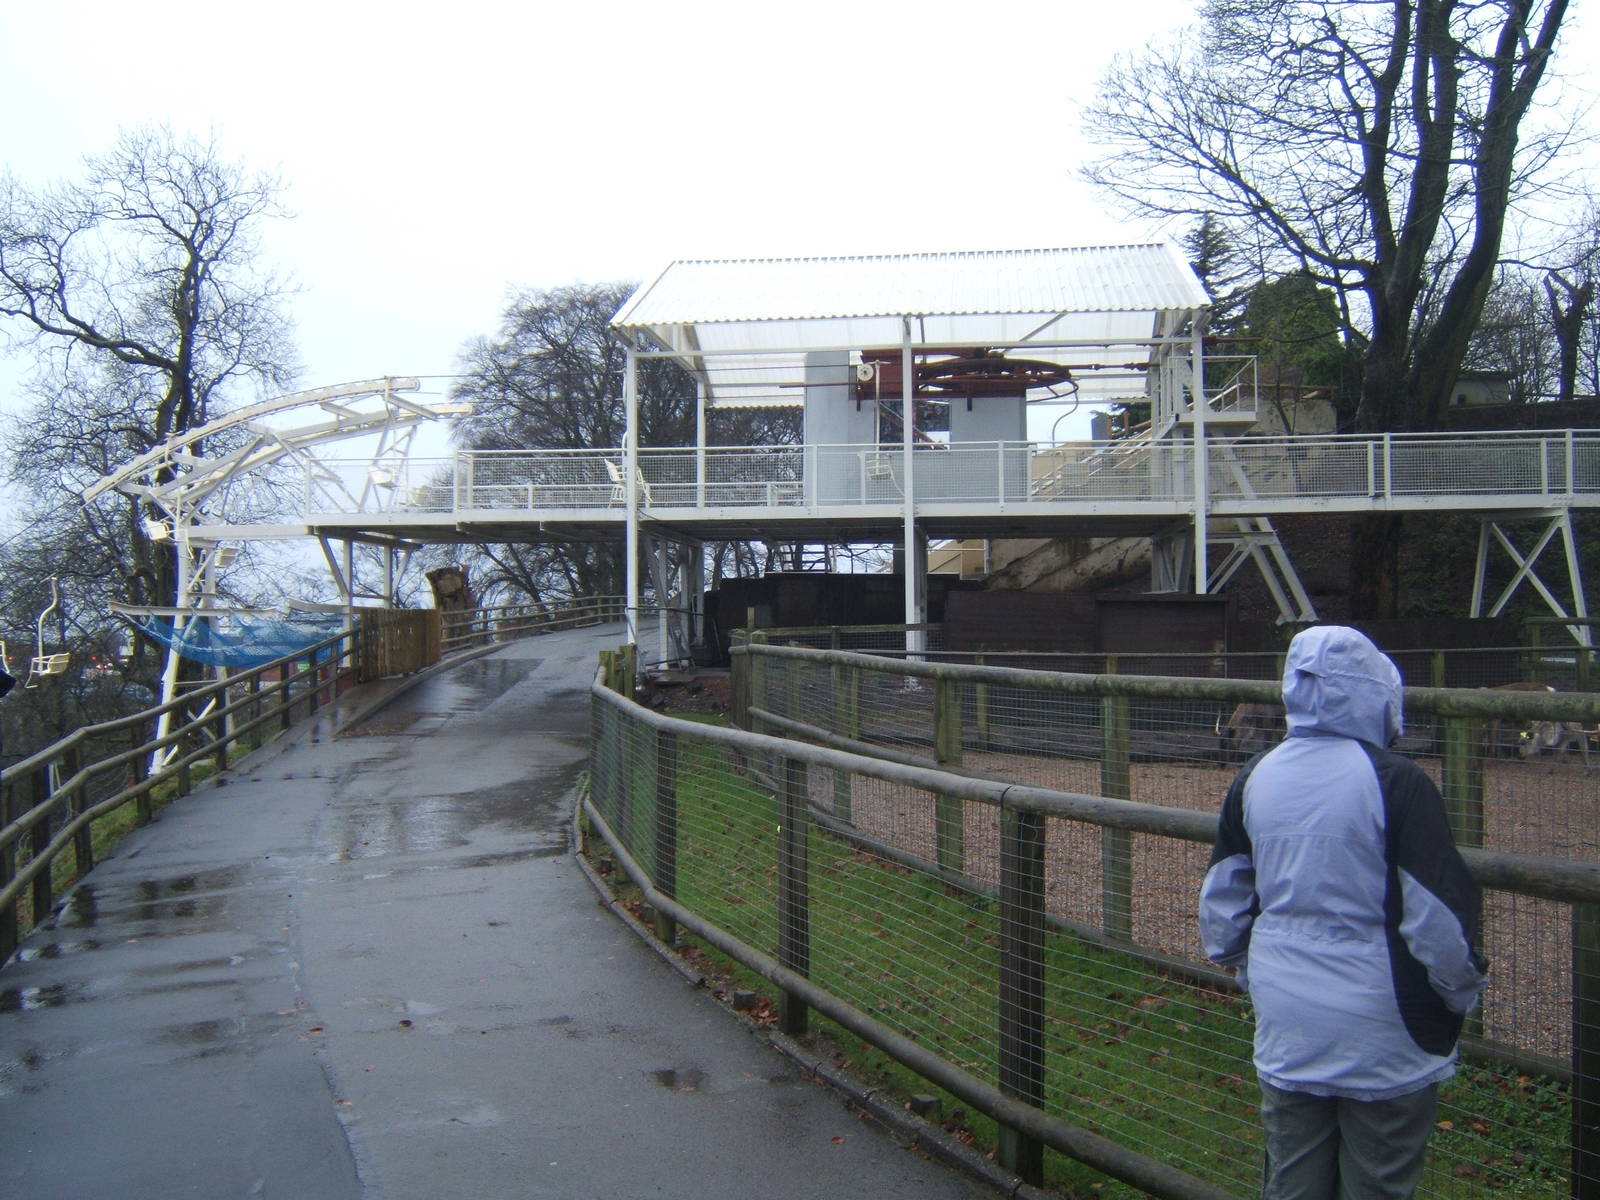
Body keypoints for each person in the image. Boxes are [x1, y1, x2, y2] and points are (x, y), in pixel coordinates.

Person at [1199, 625, 1488, 1199]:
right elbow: (1439, 919)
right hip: (1384, 1026)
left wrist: (1249, 967)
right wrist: (1459, 993)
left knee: (1292, 1175)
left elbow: (1223, 904)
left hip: (1289, 1017)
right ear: (1377, 691)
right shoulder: (1397, 782)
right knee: (1378, 1180)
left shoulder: (1256, 775)